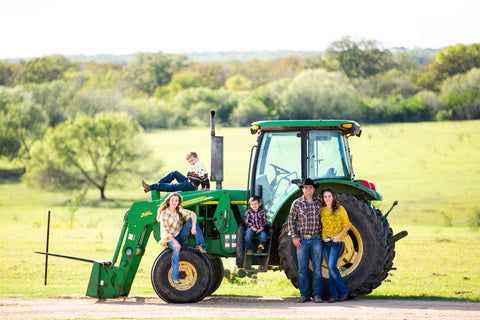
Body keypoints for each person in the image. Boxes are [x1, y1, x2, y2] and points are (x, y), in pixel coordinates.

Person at [156, 192, 207, 284]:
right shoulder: (164, 214)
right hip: (169, 239)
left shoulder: (179, 210)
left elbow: (192, 214)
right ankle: (175, 277)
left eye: (176, 200)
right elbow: (165, 231)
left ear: (178, 202)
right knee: (176, 249)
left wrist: (194, 227)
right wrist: (175, 242)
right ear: (168, 201)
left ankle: (200, 244)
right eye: (172, 200)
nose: (174, 202)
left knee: (192, 220)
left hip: (179, 236)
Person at [287, 178, 323, 303]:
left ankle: (317, 295)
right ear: (302, 189)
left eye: (310, 187)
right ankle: (304, 295)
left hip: (316, 238)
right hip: (302, 239)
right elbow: (291, 220)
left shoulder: (319, 203)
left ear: (313, 189)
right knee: (302, 269)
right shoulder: (296, 203)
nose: (308, 190)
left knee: (317, 268)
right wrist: (294, 237)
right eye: (306, 187)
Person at [319, 188, 352, 303]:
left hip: (337, 242)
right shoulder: (322, 210)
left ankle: (343, 292)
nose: (327, 198)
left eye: (329, 196)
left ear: (333, 197)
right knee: (330, 268)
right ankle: (333, 295)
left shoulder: (340, 209)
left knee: (332, 266)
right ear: (323, 199)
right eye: (325, 197)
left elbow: (347, 225)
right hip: (326, 242)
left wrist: (338, 236)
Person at [142, 150, 210, 193]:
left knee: (172, 187)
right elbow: (201, 178)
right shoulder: (195, 164)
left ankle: (151, 187)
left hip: (190, 186)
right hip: (188, 182)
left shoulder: (199, 164)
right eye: (189, 161)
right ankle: (158, 185)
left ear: (197, 157)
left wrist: (207, 187)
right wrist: (203, 187)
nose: (191, 162)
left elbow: (204, 177)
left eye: (192, 160)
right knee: (175, 173)